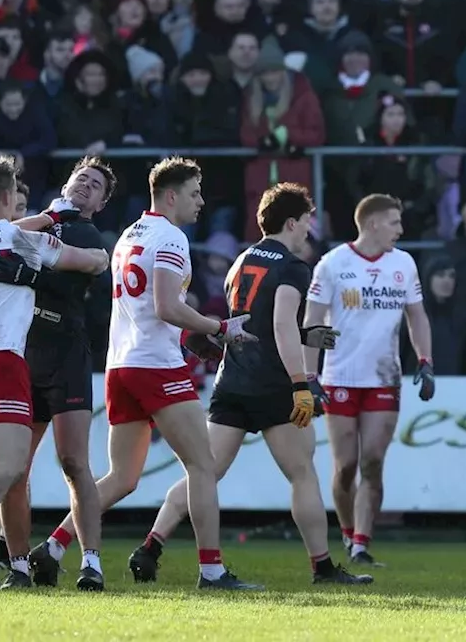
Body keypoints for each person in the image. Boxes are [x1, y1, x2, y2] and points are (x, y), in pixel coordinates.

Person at [30, 157, 262, 591]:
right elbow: (165, 307)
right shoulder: (171, 237)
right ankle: (212, 571)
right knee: (203, 466)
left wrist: (192, 338)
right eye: (194, 193)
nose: (201, 202)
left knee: (123, 478)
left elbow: (149, 310)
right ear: (171, 196)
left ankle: (55, 546)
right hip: (156, 366)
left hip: (122, 364)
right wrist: (219, 328)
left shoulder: (128, 235)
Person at [131, 183, 371, 587]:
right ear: (291, 222)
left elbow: (250, 319)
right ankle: (324, 568)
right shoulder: (293, 266)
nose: (309, 229)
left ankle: (151, 545)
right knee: (302, 475)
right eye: (307, 220)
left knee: (203, 472)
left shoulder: (239, 260)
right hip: (275, 383)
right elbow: (278, 324)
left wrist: (306, 334)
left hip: (233, 379)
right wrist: (301, 382)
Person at [0, 157, 108, 590]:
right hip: (0, 359)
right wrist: (97, 252)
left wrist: (47, 216)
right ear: (9, 197)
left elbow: (3, 228)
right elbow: (90, 262)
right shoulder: (20, 241)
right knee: (9, 465)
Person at [303, 193, 435, 568]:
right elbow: (313, 322)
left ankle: (361, 544)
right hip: (340, 376)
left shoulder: (404, 264)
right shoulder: (333, 264)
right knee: (345, 466)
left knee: (373, 461)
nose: (400, 229)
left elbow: (417, 316)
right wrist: (309, 376)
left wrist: (425, 361)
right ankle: (347, 533)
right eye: (395, 222)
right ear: (374, 223)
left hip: (383, 377)